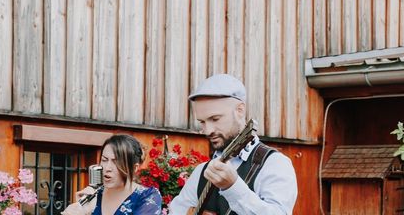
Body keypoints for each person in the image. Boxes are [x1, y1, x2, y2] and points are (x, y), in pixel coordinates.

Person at [168, 74, 297, 215]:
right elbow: (176, 211)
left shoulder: (274, 163)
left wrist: (233, 187)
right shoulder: (201, 172)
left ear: (240, 110)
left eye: (215, 119)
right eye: (202, 122)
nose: (208, 130)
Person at [62, 134, 162, 215]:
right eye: (104, 160)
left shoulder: (148, 197)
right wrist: (83, 211)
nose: (107, 168)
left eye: (116, 162)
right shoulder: (94, 195)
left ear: (134, 168)